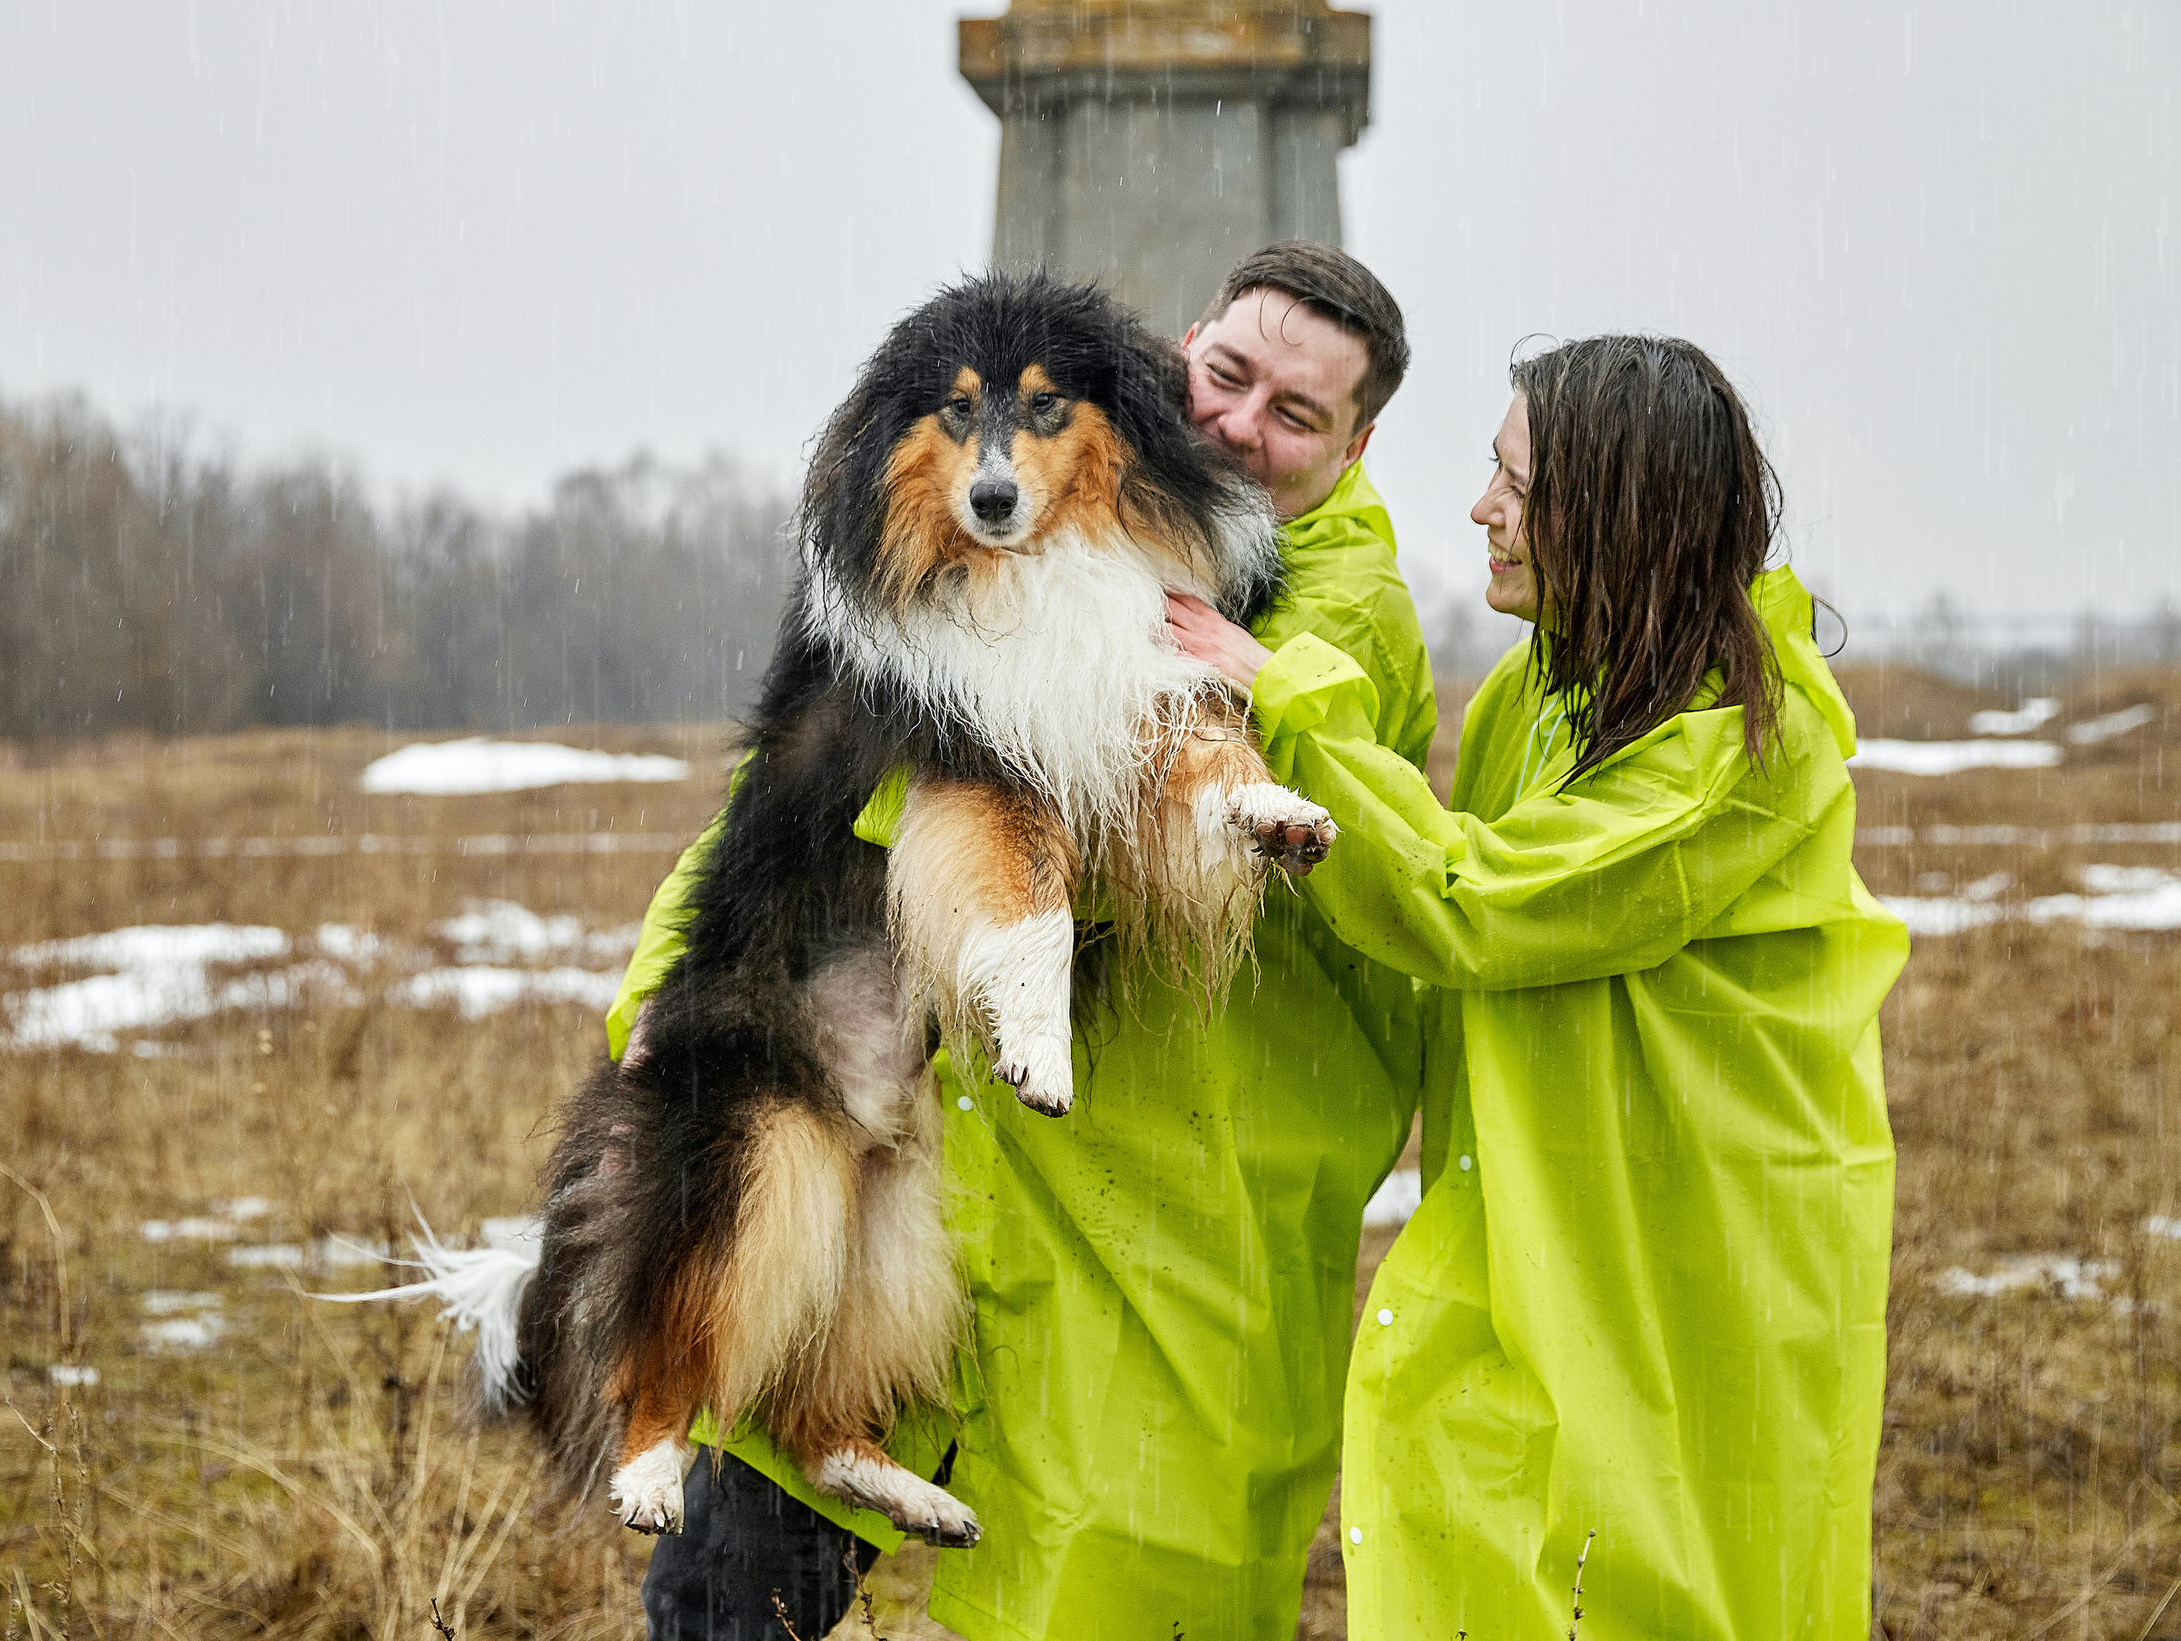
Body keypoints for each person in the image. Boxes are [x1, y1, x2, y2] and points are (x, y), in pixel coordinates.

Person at [607, 243, 1437, 1640]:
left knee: (1090, 1603)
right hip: (930, 1163)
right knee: (727, 1603)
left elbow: (1113, 848)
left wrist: (953, 771)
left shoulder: (1328, 614)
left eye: (1296, 416)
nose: (1238, 426)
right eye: (1224, 377)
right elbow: (786, 791)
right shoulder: (1043, 509)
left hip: (1135, 1237)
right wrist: (663, 995)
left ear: (1360, 442)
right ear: (1180, 350)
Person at [1166, 333, 1906, 1637]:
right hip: (1545, 1204)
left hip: (1706, 1234)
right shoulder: (1534, 690)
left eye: (1517, 485)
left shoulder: (1743, 738)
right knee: (1486, 1512)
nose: (1481, 510)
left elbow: (1480, 904)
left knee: (1676, 1568)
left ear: (1616, 515)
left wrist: (1275, 690)